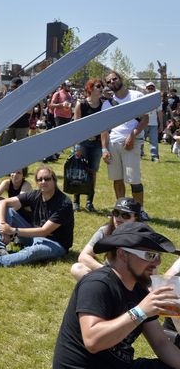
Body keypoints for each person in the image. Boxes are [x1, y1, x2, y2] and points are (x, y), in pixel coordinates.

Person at [53, 222, 180, 368]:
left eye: (158, 256)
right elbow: (93, 341)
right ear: (122, 254)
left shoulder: (139, 290)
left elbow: (161, 343)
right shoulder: (97, 284)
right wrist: (141, 311)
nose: (157, 263)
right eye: (150, 255)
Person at [0, 166, 74, 274]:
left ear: (54, 180)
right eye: (39, 179)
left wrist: (13, 230)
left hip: (55, 243)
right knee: (9, 211)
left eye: (47, 179)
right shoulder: (36, 195)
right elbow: (1, 203)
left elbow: (44, 231)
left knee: (33, 251)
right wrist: (3, 226)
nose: (43, 181)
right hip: (33, 235)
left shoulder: (64, 203)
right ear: (36, 182)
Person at [101, 71, 149, 219]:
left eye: (114, 79)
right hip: (113, 143)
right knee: (117, 179)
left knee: (134, 179)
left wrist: (132, 135)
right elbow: (103, 127)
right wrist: (104, 148)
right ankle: (121, 210)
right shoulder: (107, 103)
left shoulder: (136, 96)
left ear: (120, 79)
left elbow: (144, 119)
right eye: (108, 82)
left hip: (131, 143)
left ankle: (139, 211)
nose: (112, 82)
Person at [70, 197, 142, 281]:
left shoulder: (143, 236)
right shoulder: (106, 230)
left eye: (125, 215)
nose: (119, 218)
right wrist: (106, 271)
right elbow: (83, 256)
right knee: (77, 268)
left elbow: (150, 269)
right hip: (110, 275)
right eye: (116, 213)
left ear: (136, 218)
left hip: (132, 279)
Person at [71, 78, 104, 212]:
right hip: (82, 143)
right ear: (90, 88)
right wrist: (78, 143)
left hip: (97, 144)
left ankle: (90, 202)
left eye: (102, 86)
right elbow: (76, 126)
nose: (101, 88)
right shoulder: (82, 104)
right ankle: (76, 202)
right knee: (79, 171)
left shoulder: (104, 105)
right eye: (98, 86)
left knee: (92, 172)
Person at [144, 82, 163, 162]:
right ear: (146, 89)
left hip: (153, 123)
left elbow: (159, 113)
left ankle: (155, 156)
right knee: (140, 140)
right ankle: (140, 154)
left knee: (154, 141)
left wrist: (161, 124)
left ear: (154, 89)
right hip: (143, 123)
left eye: (152, 88)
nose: (150, 90)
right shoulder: (141, 99)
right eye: (149, 88)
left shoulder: (157, 100)